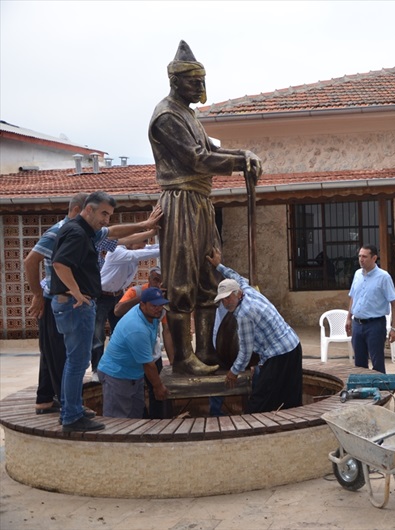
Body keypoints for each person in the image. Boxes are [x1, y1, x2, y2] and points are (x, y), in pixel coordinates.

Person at [149, 40, 262, 376]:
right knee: (182, 278)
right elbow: (197, 159)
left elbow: (212, 148)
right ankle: (183, 358)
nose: (200, 87)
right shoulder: (167, 116)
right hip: (181, 201)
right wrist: (240, 162)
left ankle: (206, 350)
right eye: (193, 81)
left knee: (207, 275)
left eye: (201, 80)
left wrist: (245, 155)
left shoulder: (190, 115)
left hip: (200, 202)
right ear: (175, 82)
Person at [50, 191, 162, 432]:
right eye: (103, 214)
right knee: (78, 362)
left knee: (75, 361)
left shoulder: (88, 232)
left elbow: (114, 233)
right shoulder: (77, 233)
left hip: (77, 305)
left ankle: (70, 411)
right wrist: (78, 293)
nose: (106, 220)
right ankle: (71, 417)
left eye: (109, 215)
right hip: (76, 305)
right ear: (87, 209)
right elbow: (60, 264)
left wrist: (146, 225)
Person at [207, 248, 303, 413]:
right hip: (293, 345)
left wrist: (233, 372)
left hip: (279, 355)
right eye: (222, 300)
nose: (226, 303)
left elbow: (245, 351)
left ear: (237, 294)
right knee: (290, 401)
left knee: (259, 403)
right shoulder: (246, 289)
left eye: (228, 297)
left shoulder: (244, 314)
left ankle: (251, 432)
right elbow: (236, 276)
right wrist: (219, 265)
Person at [24, 192, 87, 415]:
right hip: (55, 302)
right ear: (79, 210)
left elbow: (112, 237)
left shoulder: (76, 231)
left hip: (55, 301)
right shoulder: (59, 230)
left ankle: (44, 400)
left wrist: (147, 227)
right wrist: (38, 294)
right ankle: (68, 405)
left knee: (50, 353)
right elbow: (31, 260)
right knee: (62, 354)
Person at [92, 235, 159, 381]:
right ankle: (96, 369)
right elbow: (143, 253)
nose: (144, 246)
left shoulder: (136, 247)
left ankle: (119, 363)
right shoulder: (117, 251)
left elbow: (150, 248)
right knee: (98, 335)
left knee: (120, 330)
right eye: (142, 241)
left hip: (117, 295)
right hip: (102, 296)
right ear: (132, 240)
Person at [97, 288, 170, 419]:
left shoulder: (151, 316)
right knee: (117, 422)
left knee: (136, 418)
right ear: (142, 304)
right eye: (154, 305)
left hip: (134, 375)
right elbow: (149, 365)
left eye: (161, 305)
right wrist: (158, 387)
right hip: (117, 376)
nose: (159, 309)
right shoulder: (137, 328)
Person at [114, 267, 174, 419]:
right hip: (134, 355)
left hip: (151, 354)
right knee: (135, 398)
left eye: (161, 281)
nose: (158, 284)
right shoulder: (136, 292)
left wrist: (172, 361)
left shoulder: (160, 304)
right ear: (149, 278)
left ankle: (157, 423)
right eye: (156, 280)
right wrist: (142, 299)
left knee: (156, 394)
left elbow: (166, 331)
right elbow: (117, 310)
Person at [345, 245, 395, 374]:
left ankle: (381, 391)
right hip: (357, 324)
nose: (361, 259)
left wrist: (394, 328)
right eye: (359, 256)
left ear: (374, 258)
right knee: (359, 364)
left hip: (375, 325)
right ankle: (362, 391)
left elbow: (394, 303)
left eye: (364, 256)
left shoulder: (384, 277)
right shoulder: (357, 274)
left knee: (377, 362)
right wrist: (348, 318)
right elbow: (353, 297)